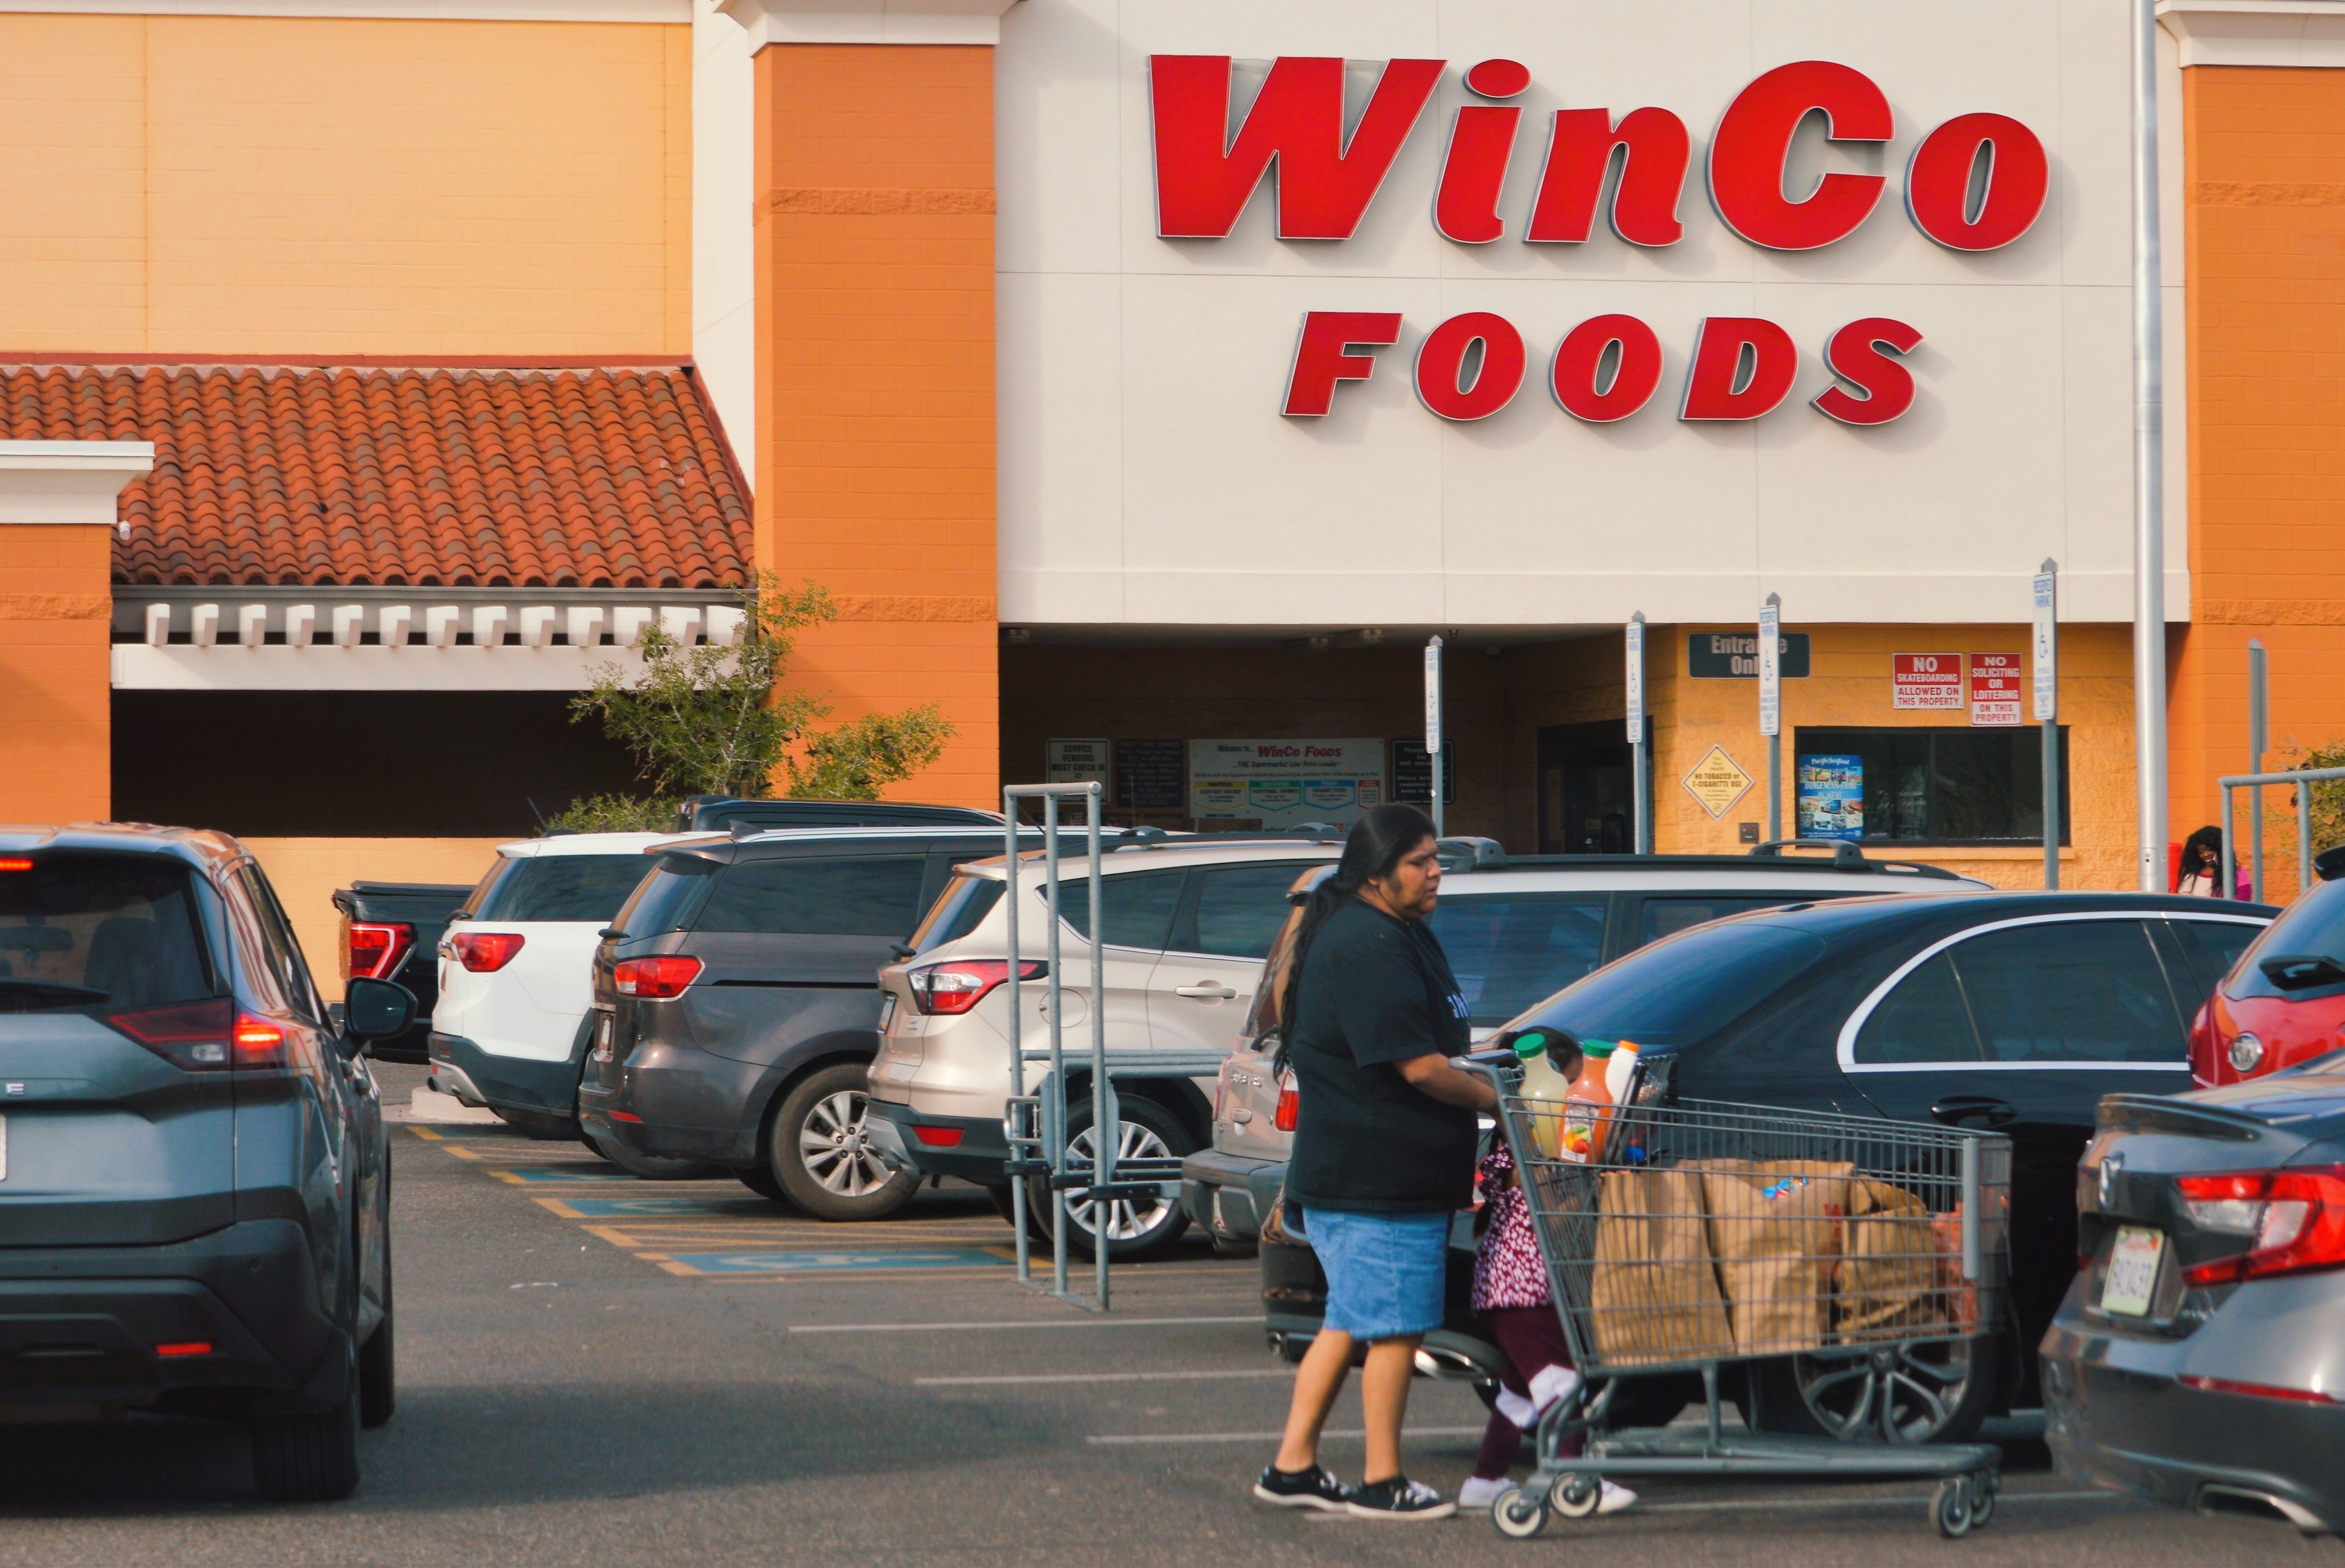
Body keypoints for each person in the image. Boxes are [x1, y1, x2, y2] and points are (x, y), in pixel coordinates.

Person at [1252, 804, 1495, 1522]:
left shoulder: (1390, 931)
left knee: (1349, 1319)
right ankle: (1382, 1480)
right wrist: (1498, 1100)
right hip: (1374, 1177)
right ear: (1377, 870)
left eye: (1435, 859)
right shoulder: (1367, 945)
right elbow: (1419, 1067)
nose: (1433, 872)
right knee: (1392, 1326)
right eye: (1419, 861)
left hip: (1362, 1170)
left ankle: (1292, 1465)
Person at [1456, 1133, 1636, 1515]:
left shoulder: (1522, 1153)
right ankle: (1575, 1476)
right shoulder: (1530, 1156)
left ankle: (1485, 1481)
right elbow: (1552, 1217)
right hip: (1523, 1290)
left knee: (1519, 1394)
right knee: (1561, 1382)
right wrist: (1597, 1188)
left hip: (1509, 1288)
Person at [2175, 825, 2250, 899]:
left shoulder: (2237, 873)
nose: (2206, 855)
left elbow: (2243, 898)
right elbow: (2183, 901)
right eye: (2201, 852)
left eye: (2209, 849)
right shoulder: (2191, 876)